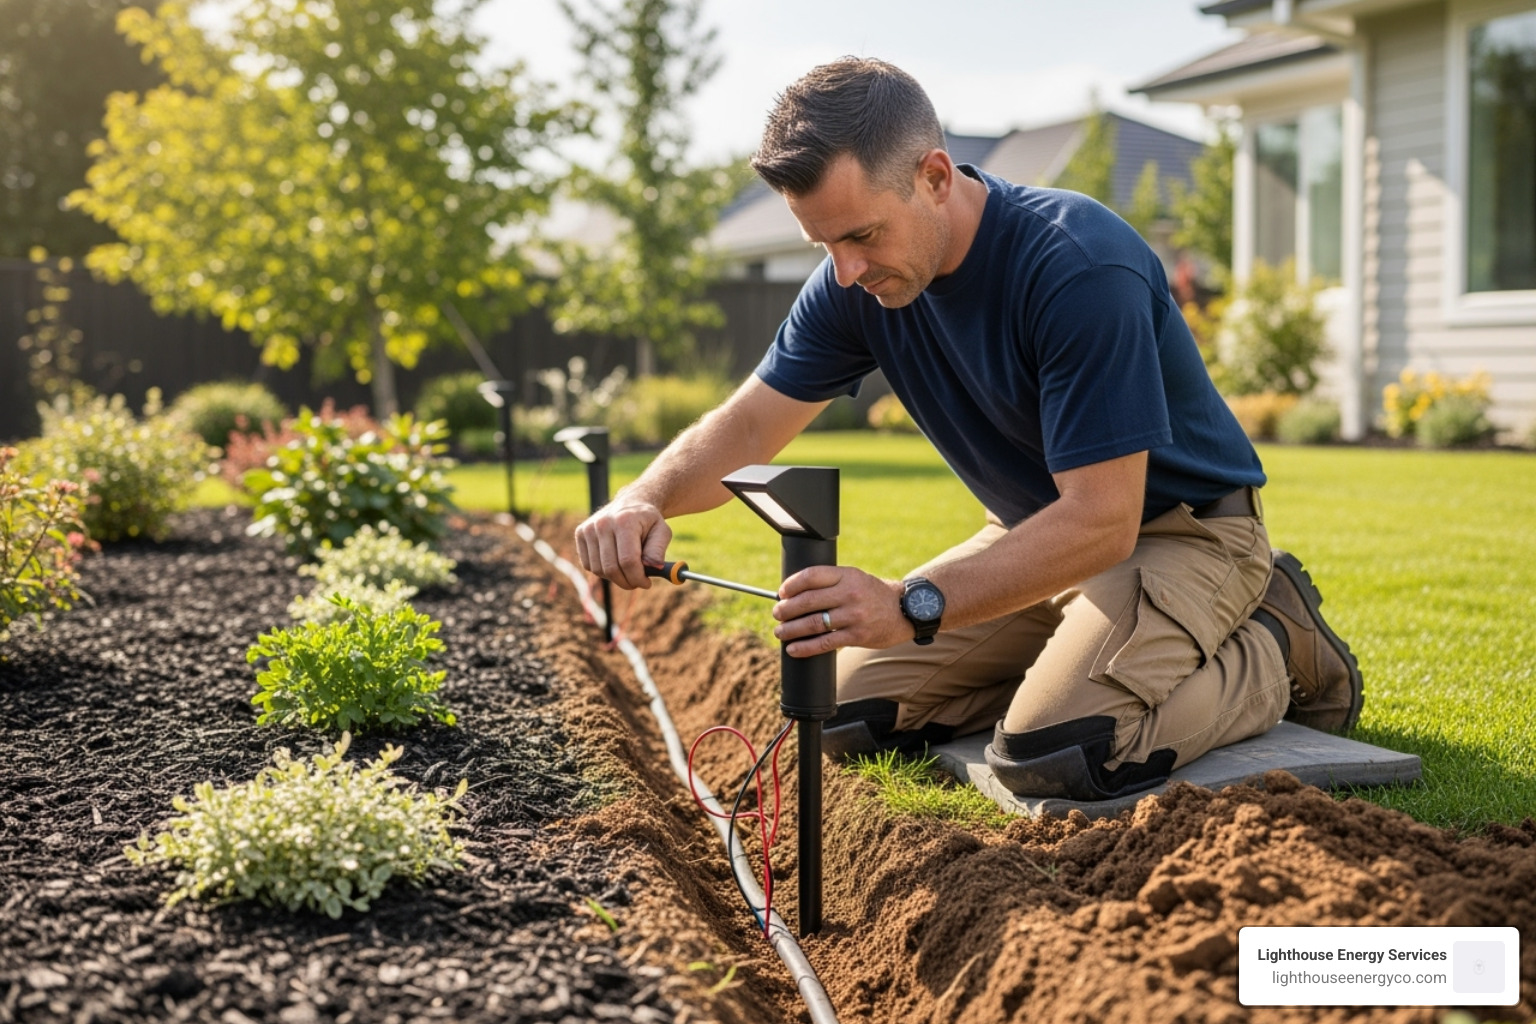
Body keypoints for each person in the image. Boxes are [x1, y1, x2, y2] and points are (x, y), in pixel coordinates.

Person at [573, 57, 1363, 802]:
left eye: (861, 236)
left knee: (1058, 750)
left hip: (1180, 534)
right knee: (846, 717)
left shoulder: (1077, 266)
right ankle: (1085, 648)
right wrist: (645, 500)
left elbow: (1104, 518)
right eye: (824, 244)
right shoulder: (852, 283)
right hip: (1032, 536)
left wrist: (913, 604)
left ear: (936, 177)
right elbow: (748, 424)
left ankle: (1274, 644)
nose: (844, 270)